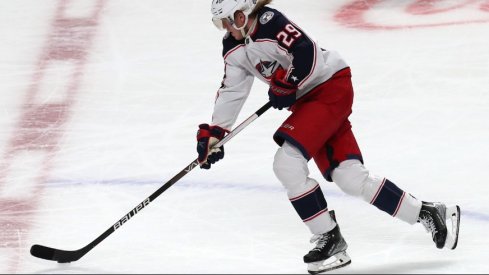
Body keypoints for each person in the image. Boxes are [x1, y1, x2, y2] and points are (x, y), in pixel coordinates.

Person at [196, 0, 461, 273]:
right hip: (309, 102)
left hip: (329, 88)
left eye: (231, 19)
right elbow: (232, 90)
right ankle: (428, 212)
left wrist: (288, 83)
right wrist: (216, 132)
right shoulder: (233, 46)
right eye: (222, 23)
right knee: (350, 177)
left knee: (286, 163)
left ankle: (328, 235)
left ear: (245, 12)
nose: (228, 28)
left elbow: (306, 51)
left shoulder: (269, 21)